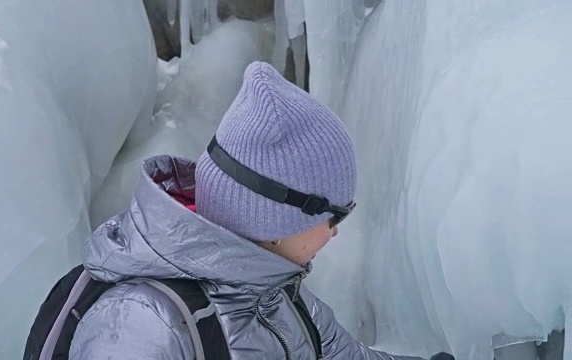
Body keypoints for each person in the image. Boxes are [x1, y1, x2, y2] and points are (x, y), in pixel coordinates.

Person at [69, 62, 449, 359]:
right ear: (276, 219)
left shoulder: (279, 296)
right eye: (336, 216)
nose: (335, 233)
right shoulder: (144, 326)